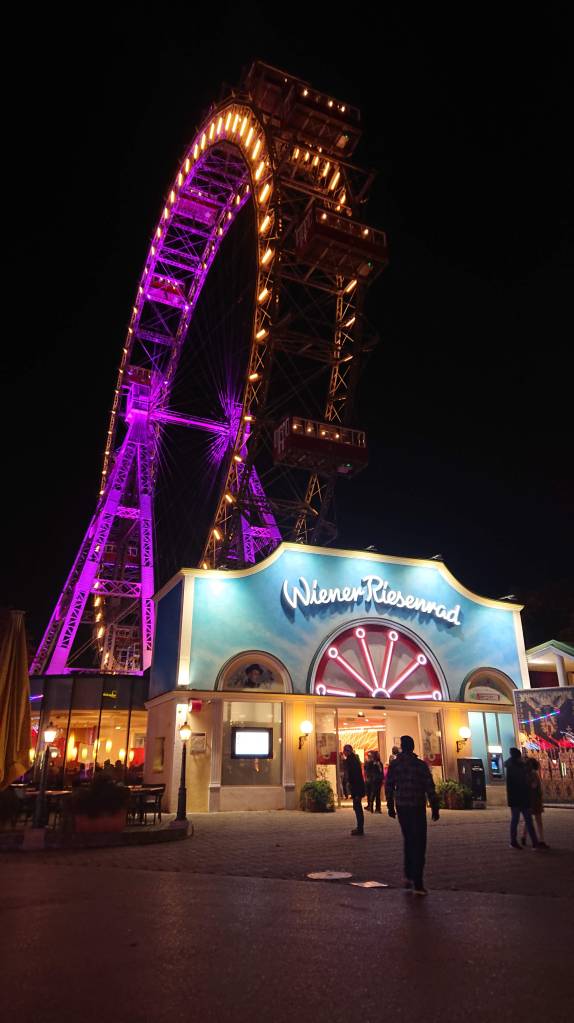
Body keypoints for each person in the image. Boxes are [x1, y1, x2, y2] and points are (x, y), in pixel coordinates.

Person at [385, 735, 440, 895]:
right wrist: (435, 806)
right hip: (417, 805)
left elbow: (389, 786)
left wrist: (390, 806)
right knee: (419, 842)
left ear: (402, 747)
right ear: (413, 747)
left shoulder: (395, 765)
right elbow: (429, 786)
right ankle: (418, 881)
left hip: (402, 806)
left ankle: (409, 874)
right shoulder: (420, 765)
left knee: (408, 839)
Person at [505, 747, 539, 849]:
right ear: (518, 757)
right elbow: (522, 782)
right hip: (521, 797)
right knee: (527, 820)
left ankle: (514, 841)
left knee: (516, 820)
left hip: (514, 798)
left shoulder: (511, 766)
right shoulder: (518, 767)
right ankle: (534, 843)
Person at [521, 758, 549, 848]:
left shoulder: (525, 774)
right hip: (535, 799)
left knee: (527, 819)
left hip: (527, 800)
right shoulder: (534, 774)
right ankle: (541, 840)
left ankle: (523, 836)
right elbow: (534, 786)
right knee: (538, 821)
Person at [343, 744, 366, 835]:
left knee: (357, 807)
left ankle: (360, 828)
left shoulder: (351, 760)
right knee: (357, 807)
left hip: (356, 787)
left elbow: (354, 776)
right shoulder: (354, 759)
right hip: (358, 787)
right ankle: (360, 827)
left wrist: (355, 791)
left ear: (348, 751)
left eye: (345, 751)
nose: (344, 753)